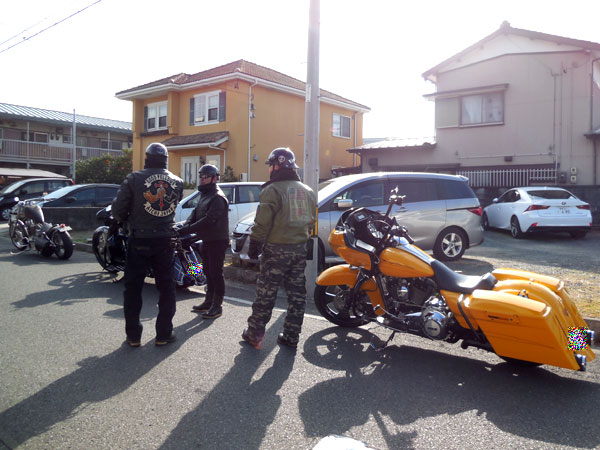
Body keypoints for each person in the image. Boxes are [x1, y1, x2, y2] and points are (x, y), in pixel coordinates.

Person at [242, 147, 317, 350]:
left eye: (271, 165)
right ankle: (291, 336)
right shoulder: (308, 191)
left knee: (266, 293)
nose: (269, 169)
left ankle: (254, 334)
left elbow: (262, 222)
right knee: (297, 294)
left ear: (277, 166)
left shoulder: (272, 190)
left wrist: (254, 245)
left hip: (276, 250)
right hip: (299, 249)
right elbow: (311, 222)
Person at [111, 142, 183, 347]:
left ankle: (134, 336)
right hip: (165, 239)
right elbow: (173, 205)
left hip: (139, 239)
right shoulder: (177, 182)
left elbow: (118, 210)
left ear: (147, 158)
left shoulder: (134, 178)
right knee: (167, 288)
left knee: (133, 288)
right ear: (165, 160)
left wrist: (127, 220)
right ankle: (164, 334)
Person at [176, 164, 229, 319]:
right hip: (206, 239)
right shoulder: (205, 195)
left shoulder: (218, 197)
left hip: (217, 240)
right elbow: (195, 213)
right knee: (206, 270)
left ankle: (217, 306)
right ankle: (208, 301)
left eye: (206, 176)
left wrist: (187, 230)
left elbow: (208, 220)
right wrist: (185, 226)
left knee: (216, 272)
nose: (202, 179)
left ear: (215, 178)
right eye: (201, 176)